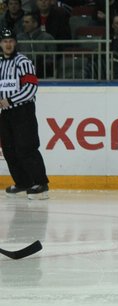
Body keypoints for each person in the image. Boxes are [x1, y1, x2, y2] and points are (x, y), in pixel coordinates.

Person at [0, 28, 49, 200]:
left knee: (26, 147)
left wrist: (11, 100)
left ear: (15, 43)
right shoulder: (0, 63)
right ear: (0, 44)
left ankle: (41, 183)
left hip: (23, 111)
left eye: (11, 41)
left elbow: (31, 88)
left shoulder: (23, 62)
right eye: (5, 41)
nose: (8, 44)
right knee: (9, 150)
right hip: (5, 113)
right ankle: (23, 182)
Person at [16, 12, 56, 78]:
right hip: (23, 72)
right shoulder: (19, 38)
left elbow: (52, 58)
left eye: (27, 22)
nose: (23, 24)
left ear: (35, 24)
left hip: (42, 73)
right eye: (23, 22)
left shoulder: (47, 38)